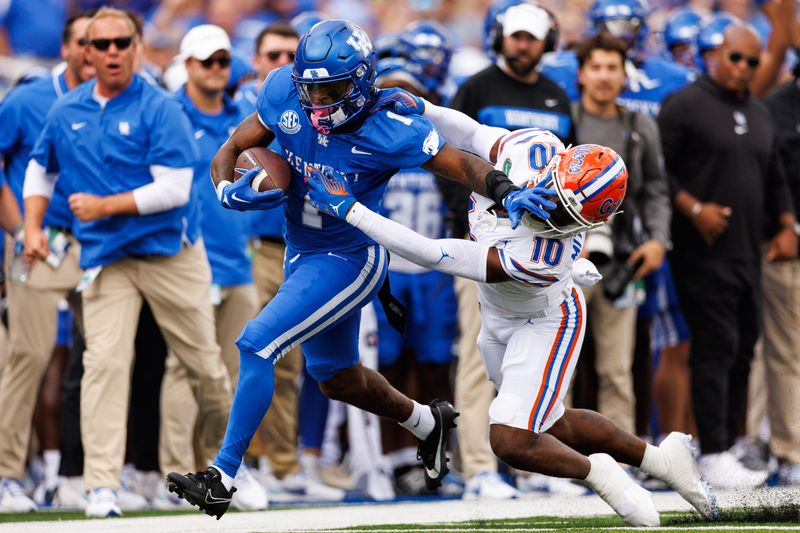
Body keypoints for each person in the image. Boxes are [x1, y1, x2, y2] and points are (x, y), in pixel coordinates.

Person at [165, 19, 553, 520]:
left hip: (351, 257)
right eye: (312, 87)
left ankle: (222, 475)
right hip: (301, 250)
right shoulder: (285, 91)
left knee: (256, 341)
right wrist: (226, 189)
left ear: (363, 81)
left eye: (332, 88)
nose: (319, 100)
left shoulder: (389, 126)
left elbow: (462, 164)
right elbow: (231, 149)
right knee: (336, 379)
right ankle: (425, 422)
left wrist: (503, 189)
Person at [304, 97, 717, 525]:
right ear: (554, 170)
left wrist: (349, 209)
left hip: (546, 321)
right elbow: (469, 133)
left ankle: (606, 477)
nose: (554, 215)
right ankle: (662, 460)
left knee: (511, 438)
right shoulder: (532, 150)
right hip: (498, 317)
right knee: (552, 425)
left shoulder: (544, 256)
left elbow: (430, 253)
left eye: (567, 215)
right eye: (557, 200)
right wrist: (422, 105)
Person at [22, 7, 232, 517]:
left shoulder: (160, 107)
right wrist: (31, 227)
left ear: (137, 48)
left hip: (171, 253)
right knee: (104, 365)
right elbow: (39, 169)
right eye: (103, 44)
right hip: (108, 257)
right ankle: (101, 486)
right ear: (86, 52)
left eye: (122, 43)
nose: (113, 52)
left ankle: (229, 468)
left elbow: (176, 188)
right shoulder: (66, 108)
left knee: (205, 367)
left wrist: (102, 206)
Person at [658, 22, 798, 489]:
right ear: (714, 55)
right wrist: (693, 209)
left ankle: (734, 443)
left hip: (747, 251)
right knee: (715, 347)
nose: (743, 68)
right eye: (735, 58)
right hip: (701, 251)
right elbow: (659, 172)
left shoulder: (758, 112)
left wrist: (785, 223)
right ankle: (713, 449)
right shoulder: (685, 105)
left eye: (753, 62)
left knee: (743, 347)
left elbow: (775, 172)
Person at [446, 0, 575, 499]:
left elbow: (576, 173)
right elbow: (450, 156)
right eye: (516, 35)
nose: (523, 44)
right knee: (480, 353)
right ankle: (479, 466)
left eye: (532, 37)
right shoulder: (478, 86)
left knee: (542, 359)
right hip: (488, 245)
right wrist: (474, 218)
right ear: (500, 36)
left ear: (548, 42)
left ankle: (538, 465)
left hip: (546, 250)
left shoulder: (556, 96)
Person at [157, 24, 267, 511]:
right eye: (207, 61)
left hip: (238, 261)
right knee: (185, 369)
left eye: (223, 60)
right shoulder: (168, 112)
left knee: (228, 371)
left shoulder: (241, 118)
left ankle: (215, 473)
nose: (218, 69)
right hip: (189, 259)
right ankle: (169, 471)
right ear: (186, 65)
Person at [0, 10, 96, 513]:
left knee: (104, 357)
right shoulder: (27, 98)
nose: (94, 52)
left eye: (103, 43)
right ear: (66, 47)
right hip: (40, 243)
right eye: (84, 42)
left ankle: (93, 475)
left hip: (97, 242)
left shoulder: (116, 100)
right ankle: (6, 474)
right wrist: (20, 229)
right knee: (30, 357)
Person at [572, 32, 671, 436]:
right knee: (560, 364)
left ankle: (621, 459)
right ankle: (556, 460)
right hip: (570, 255)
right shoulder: (567, 117)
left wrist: (657, 242)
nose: (604, 76)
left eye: (612, 67)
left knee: (617, 368)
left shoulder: (639, 124)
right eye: (595, 67)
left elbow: (657, 190)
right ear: (581, 73)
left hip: (625, 260)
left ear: (624, 75)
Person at [752, 59, 800, 487]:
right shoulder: (775, 108)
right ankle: (790, 453)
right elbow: (768, 177)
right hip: (788, 246)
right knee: (787, 352)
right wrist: (787, 225)